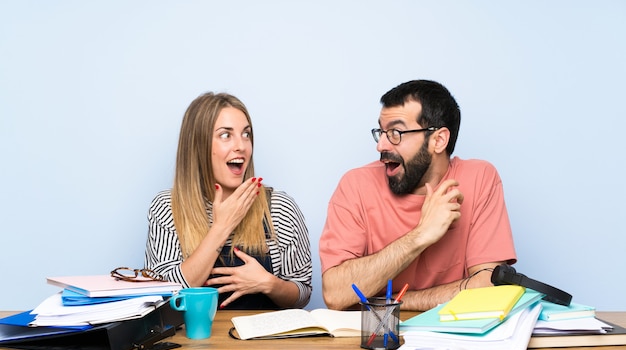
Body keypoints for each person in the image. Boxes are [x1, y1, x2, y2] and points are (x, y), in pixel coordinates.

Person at [319, 79, 516, 311]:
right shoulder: (356, 185)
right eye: (381, 132)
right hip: (376, 339)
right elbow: (335, 294)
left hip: (451, 339)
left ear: (438, 140)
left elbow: (486, 289)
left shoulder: (480, 178)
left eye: (395, 132)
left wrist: (388, 303)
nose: (381, 145)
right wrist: (421, 235)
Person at [145, 92, 312, 310]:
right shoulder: (167, 208)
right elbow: (164, 297)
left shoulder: (280, 207)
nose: (241, 146)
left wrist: (269, 284)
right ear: (198, 146)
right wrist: (221, 228)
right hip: (194, 342)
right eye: (226, 135)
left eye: (246, 134)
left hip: (263, 343)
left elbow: (303, 293)